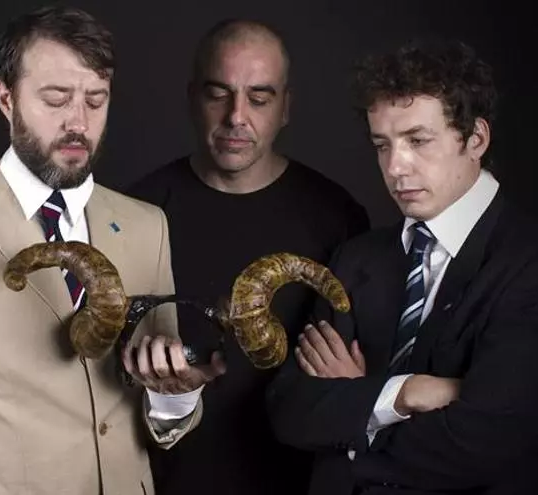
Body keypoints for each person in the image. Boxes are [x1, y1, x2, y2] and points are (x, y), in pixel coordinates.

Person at [0, 6, 223, 494]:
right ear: (6, 98)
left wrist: (174, 400)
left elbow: (153, 412)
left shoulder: (148, 227)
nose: (78, 122)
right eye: (56, 99)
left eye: (96, 100)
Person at [267, 38, 538, 495]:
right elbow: (289, 409)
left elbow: (484, 443)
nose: (395, 167)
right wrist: (407, 393)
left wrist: (360, 405)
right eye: (381, 145)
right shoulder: (358, 256)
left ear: (476, 138)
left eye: (417, 141)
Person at [128, 18, 370, 495]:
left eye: (259, 99)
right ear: (192, 98)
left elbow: (360, 372)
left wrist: (359, 389)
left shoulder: (338, 216)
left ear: (285, 108)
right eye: (218, 94)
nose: (236, 116)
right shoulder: (136, 212)